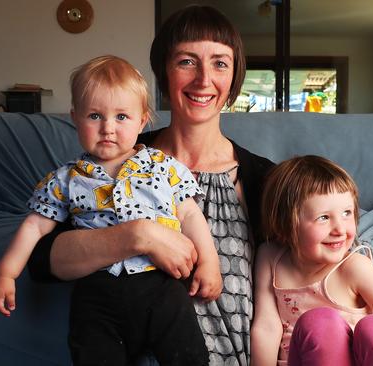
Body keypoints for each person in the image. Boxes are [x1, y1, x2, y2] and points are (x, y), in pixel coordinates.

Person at [27, 5, 275, 365]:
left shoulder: (263, 178)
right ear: (163, 73)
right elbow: (41, 260)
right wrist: (137, 235)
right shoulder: (109, 160)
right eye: (187, 61)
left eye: (220, 63)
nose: (204, 79)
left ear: (235, 76)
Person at [0, 55, 222, 365]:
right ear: (75, 117)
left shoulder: (163, 167)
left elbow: (191, 215)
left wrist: (210, 263)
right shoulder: (66, 178)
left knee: (188, 356)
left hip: (161, 285)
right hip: (98, 292)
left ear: (142, 121)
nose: (108, 128)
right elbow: (35, 227)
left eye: (122, 117)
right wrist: (7, 272)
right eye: (95, 116)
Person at [251, 155, 373, 366]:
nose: (340, 229)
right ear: (286, 224)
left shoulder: (355, 268)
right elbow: (266, 327)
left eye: (347, 213)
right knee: (319, 324)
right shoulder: (271, 258)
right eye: (324, 218)